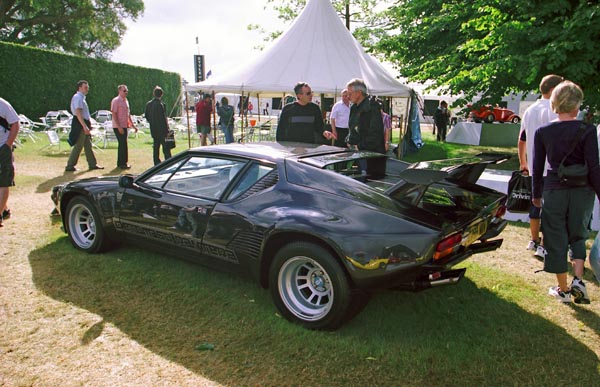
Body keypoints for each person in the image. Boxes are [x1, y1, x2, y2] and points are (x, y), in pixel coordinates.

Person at [532, 80, 600, 304]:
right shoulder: (587, 130)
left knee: (555, 237)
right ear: (576, 105)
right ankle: (578, 280)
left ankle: (563, 289)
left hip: (554, 189)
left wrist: (536, 195)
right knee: (578, 233)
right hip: (582, 191)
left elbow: (537, 166)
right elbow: (594, 166)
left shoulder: (543, 132)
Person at [517, 74, 563, 260]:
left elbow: (521, 140)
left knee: (535, 204)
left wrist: (523, 162)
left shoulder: (529, 110)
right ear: (553, 90)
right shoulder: (556, 110)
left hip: (535, 166)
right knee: (552, 208)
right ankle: (543, 245)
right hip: (552, 167)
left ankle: (534, 240)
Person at [346, 78, 386, 177]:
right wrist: (349, 141)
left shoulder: (372, 107)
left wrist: (359, 146)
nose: (348, 96)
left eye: (350, 94)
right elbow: (353, 129)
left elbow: (375, 134)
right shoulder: (354, 108)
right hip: (358, 155)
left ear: (359, 93)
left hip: (372, 156)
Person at [65, 80, 104, 172]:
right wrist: (84, 126)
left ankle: (92, 164)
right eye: (85, 87)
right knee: (79, 145)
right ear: (80, 87)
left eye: (87, 87)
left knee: (88, 145)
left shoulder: (81, 98)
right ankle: (70, 165)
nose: (87, 89)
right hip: (80, 123)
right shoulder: (78, 97)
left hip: (83, 122)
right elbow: (78, 112)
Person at [0, 97, 20, 227]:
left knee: (3, 181)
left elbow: (15, 123)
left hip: (2, 148)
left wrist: (8, 145)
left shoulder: (2, 104)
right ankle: (5, 209)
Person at [111, 84, 138, 169]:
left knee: (124, 143)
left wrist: (133, 125)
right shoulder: (116, 101)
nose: (126, 92)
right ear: (119, 91)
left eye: (127, 90)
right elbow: (114, 114)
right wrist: (119, 127)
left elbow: (128, 114)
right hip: (118, 126)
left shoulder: (126, 101)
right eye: (124, 90)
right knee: (122, 144)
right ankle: (121, 163)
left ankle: (124, 162)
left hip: (125, 125)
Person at [144, 86, 172, 165]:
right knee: (166, 147)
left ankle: (156, 162)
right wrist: (167, 129)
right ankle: (168, 161)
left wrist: (152, 122)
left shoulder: (148, 104)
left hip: (153, 128)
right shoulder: (161, 104)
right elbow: (163, 118)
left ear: (153, 94)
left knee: (156, 147)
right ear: (161, 94)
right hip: (162, 129)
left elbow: (146, 116)